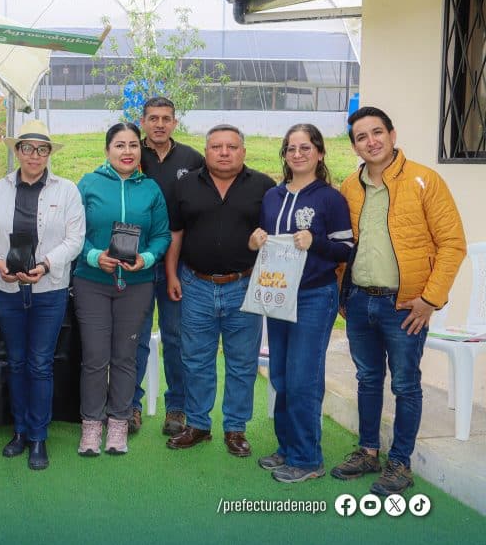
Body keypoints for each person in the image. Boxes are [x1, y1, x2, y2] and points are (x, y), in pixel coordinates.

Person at [331, 106, 465, 496]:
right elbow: (344, 245)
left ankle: (400, 462)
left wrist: (430, 300)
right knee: (368, 379)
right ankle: (368, 451)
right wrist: (344, 292)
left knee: (405, 384)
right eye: (361, 136)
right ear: (354, 145)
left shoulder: (425, 179)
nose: (370, 141)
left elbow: (452, 245)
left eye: (377, 132)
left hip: (405, 306)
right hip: (359, 301)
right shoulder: (349, 187)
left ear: (392, 134)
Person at [0, 120, 84, 470]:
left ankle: (38, 436)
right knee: (17, 362)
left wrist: (47, 264)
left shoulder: (66, 191)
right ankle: (19, 431)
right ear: (16, 151)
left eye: (41, 149)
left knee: (39, 364)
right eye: (27, 148)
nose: (34, 155)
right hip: (6, 289)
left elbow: (75, 239)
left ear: (49, 154)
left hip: (48, 290)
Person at [248, 124, 353, 483]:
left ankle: (308, 459)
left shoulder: (330, 199)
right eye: (291, 148)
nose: (298, 154)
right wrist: (257, 239)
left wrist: (317, 241)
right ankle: (288, 448)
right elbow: (269, 241)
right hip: (278, 292)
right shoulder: (273, 196)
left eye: (305, 147)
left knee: (304, 377)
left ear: (320, 153)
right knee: (280, 374)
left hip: (314, 295)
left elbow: (346, 249)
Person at [165, 125, 275, 457]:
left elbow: (273, 238)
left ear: (243, 151)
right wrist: (171, 275)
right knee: (196, 360)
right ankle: (197, 424)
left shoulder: (264, 187)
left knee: (242, 363)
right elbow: (176, 234)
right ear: (206, 150)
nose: (224, 152)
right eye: (216, 146)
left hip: (243, 286)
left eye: (231, 146)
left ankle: (235, 429)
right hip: (195, 285)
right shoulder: (185, 185)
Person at [73, 122, 170, 456]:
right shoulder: (88, 185)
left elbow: (162, 235)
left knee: (126, 356)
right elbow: (73, 233)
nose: (127, 152)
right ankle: (91, 425)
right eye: (119, 145)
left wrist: (146, 257)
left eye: (132, 145)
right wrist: (93, 255)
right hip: (92, 283)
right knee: (95, 358)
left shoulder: (151, 190)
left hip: (137, 285)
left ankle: (119, 423)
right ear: (107, 150)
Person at [133, 97, 204, 436]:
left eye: (166, 118)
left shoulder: (192, 159)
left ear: (175, 122)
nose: (159, 124)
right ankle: (130, 406)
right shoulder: (132, 153)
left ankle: (177, 408)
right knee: (136, 337)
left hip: (179, 267)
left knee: (176, 338)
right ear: (143, 122)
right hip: (137, 264)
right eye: (153, 118)